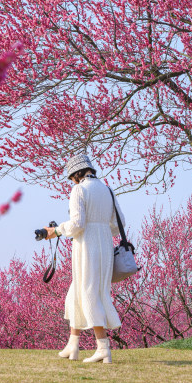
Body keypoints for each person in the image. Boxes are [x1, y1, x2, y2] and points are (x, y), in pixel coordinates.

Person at [46, 153, 126, 364]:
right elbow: (119, 223)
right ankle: (73, 345)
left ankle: (103, 348)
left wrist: (58, 230)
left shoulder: (79, 190)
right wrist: (101, 229)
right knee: (77, 292)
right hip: (105, 246)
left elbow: (77, 224)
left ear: (76, 174)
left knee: (89, 293)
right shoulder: (107, 190)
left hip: (86, 246)